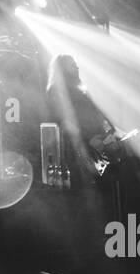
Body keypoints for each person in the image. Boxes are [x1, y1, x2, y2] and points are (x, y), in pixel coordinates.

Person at [45, 54, 118, 189]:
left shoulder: (81, 89)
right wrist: (88, 141)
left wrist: (110, 131)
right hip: (78, 152)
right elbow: (64, 121)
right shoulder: (56, 90)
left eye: (76, 64)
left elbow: (96, 114)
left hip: (96, 149)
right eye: (72, 64)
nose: (76, 67)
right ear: (62, 68)